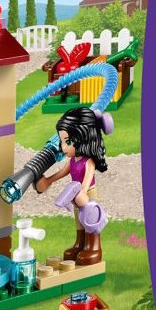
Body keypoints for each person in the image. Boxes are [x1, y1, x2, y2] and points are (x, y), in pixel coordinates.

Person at [36, 107, 112, 265]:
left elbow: (88, 177)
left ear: (83, 138)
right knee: (78, 219)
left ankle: (94, 246)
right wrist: (48, 180)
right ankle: (80, 243)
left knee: (90, 218)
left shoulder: (88, 162)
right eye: (62, 141)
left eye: (68, 142)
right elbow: (61, 173)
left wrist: (82, 191)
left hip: (88, 193)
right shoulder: (72, 161)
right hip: (75, 194)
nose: (63, 147)